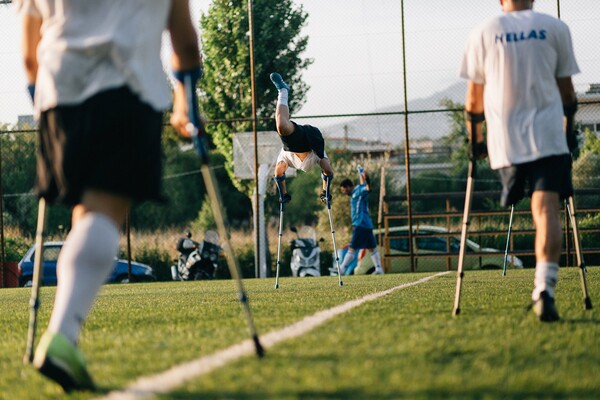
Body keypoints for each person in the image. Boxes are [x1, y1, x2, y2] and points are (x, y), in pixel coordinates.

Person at [17, 0, 201, 391]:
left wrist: (40, 97)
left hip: (58, 92)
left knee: (87, 215)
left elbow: (27, 54)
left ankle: (65, 338)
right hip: (128, 89)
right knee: (103, 212)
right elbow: (185, 44)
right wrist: (184, 101)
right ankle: (63, 337)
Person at [459, 0, 579, 322]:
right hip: (548, 136)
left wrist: (476, 141)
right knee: (545, 210)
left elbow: (473, 99)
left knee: (529, 205)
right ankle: (544, 288)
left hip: (505, 140)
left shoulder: (483, 32)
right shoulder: (555, 28)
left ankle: (544, 288)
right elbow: (567, 92)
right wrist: (570, 129)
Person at [270, 72, 334, 203]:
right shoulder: (289, 158)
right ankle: (283, 89)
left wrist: (325, 192)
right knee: (281, 125)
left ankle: (283, 91)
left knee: (281, 126)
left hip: (306, 143)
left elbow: (328, 172)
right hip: (306, 139)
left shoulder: (288, 157)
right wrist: (284, 195)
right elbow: (278, 174)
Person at [338, 168, 384, 275]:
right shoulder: (356, 191)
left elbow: (367, 188)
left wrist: (367, 179)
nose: (344, 193)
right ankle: (379, 268)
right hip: (366, 225)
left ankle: (342, 268)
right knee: (371, 248)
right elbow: (362, 185)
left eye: (344, 190)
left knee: (352, 247)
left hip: (360, 224)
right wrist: (361, 174)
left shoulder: (358, 191)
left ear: (348, 187)